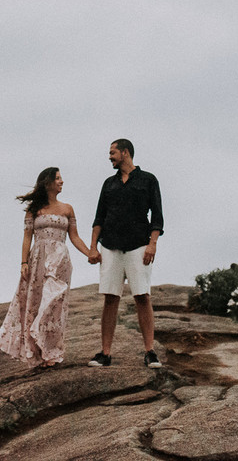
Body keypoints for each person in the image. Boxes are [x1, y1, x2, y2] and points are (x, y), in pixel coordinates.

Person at [0, 167, 92, 368]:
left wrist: (90, 253)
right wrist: (24, 263)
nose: (62, 181)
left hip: (60, 260)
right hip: (38, 259)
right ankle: (39, 352)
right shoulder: (34, 209)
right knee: (36, 303)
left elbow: (74, 237)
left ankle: (51, 350)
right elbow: (27, 237)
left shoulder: (67, 208)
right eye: (58, 178)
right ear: (47, 183)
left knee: (54, 305)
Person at [86, 138, 164, 368]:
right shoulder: (108, 183)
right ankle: (105, 353)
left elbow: (157, 216)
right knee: (110, 298)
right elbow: (99, 217)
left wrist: (153, 244)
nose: (109, 157)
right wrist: (93, 247)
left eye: (112, 152)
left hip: (139, 245)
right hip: (110, 245)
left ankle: (150, 351)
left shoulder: (148, 180)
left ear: (125, 153)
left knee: (142, 296)